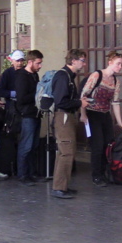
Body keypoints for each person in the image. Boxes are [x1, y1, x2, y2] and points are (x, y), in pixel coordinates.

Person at [79, 51, 122, 187]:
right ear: (110, 63)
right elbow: (84, 95)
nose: (120, 67)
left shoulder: (116, 81)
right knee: (97, 145)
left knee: (108, 143)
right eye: (118, 64)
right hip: (92, 113)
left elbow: (115, 102)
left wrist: (119, 122)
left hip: (105, 114)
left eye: (121, 64)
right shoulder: (97, 75)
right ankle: (96, 175)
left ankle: (105, 172)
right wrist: (83, 114)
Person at [50, 49, 90, 199]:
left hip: (67, 116)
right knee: (66, 151)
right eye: (82, 60)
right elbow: (61, 101)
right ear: (73, 60)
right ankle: (59, 188)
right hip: (63, 117)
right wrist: (80, 102)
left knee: (66, 151)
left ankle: (63, 186)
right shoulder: (62, 76)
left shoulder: (68, 76)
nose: (84, 64)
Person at [14, 49, 43, 186]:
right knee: (26, 145)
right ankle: (23, 174)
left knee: (34, 145)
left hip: (35, 113)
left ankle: (31, 173)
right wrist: (37, 94)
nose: (40, 66)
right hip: (27, 114)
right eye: (38, 63)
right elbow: (21, 98)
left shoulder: (35, 76)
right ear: (30, 62)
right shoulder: (21, 76)